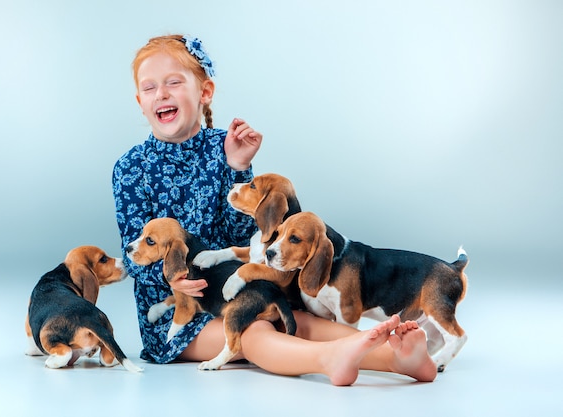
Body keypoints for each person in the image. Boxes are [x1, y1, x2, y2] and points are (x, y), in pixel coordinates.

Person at [112, 34, 437, 386]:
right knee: (253, 331)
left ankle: (401, 356)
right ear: (139, 101)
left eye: (173, 82)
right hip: (178, 310)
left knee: (298, 318)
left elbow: (244, 241)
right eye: (149, 88)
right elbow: (133, 254)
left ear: (205, 91)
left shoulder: (223, 148)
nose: (161, 93)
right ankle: (343, 359)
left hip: (235, 288)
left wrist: (238, 167)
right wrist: (170, 276)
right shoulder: (131, 168)